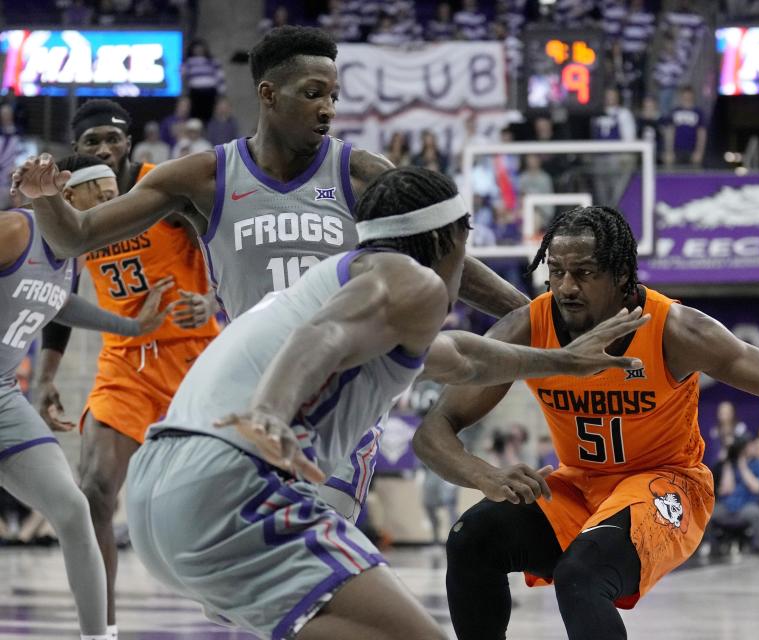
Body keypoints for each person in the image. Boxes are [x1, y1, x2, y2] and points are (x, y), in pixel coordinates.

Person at [13, 25, 529, 524]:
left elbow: (443, 241)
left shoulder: (358, 171)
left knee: (312, 549)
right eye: (313, 93)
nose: (328, 107)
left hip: (343, 390)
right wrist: (45, 200)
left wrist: (529, 308)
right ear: (268, 94)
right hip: (246, 384)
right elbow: (75, 237)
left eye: (334, 95)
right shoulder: (205, 176)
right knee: (259, 577)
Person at [123, 167, 647, 640]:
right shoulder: (409, 280)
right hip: (231, 482)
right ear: (449, 239)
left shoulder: (359, 288)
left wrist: (565, 360)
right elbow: (322, 335)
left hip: (157, 493)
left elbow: (462, 358)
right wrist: (270, 410)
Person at [413, 205, 759, 640]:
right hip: (580, 487)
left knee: (581, 574)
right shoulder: (528, 327)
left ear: (621, 276)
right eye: (556, 271)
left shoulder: (678, 330)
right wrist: (487, 477)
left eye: (583, 273)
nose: (565, 286)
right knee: (470, 538)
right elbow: (434, 429)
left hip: (667, 486)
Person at [0, 201, 171, 640]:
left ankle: (98, 637)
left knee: (73, 509)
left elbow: (60, 303)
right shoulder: (18, 228)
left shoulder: (72, 255)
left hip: (3, 398)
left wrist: (130, 327)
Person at [708, 435, 759, 555]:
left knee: (758, 514)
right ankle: (714, 549)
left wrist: (743, 466)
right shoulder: (730, 464)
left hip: (747, 506)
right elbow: (725, 490)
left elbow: (757, 487)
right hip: (728, 506)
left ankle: (756, 548)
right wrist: (728, 463)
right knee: (708, 515)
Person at [181, 38, 226, 123]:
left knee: (209, 116)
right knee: (194, 116)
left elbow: (220, 77)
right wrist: (184, 94)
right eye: (196, 48)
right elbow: (183, 78)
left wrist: (222, 93)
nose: (198, 50)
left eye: (200, 48)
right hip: (195, 93)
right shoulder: (188, 62)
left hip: (210, 93)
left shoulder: (212, 61)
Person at [664, 86, 706, 167]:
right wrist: (669, 151)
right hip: (676, 151)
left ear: (692, 96)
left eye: (689, 95)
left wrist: (699, 152)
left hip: (692, 150)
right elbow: (670, 132)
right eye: (685, 95)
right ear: (681, 96)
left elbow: (702, 133)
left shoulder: (698, 112)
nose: (687, 98)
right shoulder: (674, 111)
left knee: (694, 176)